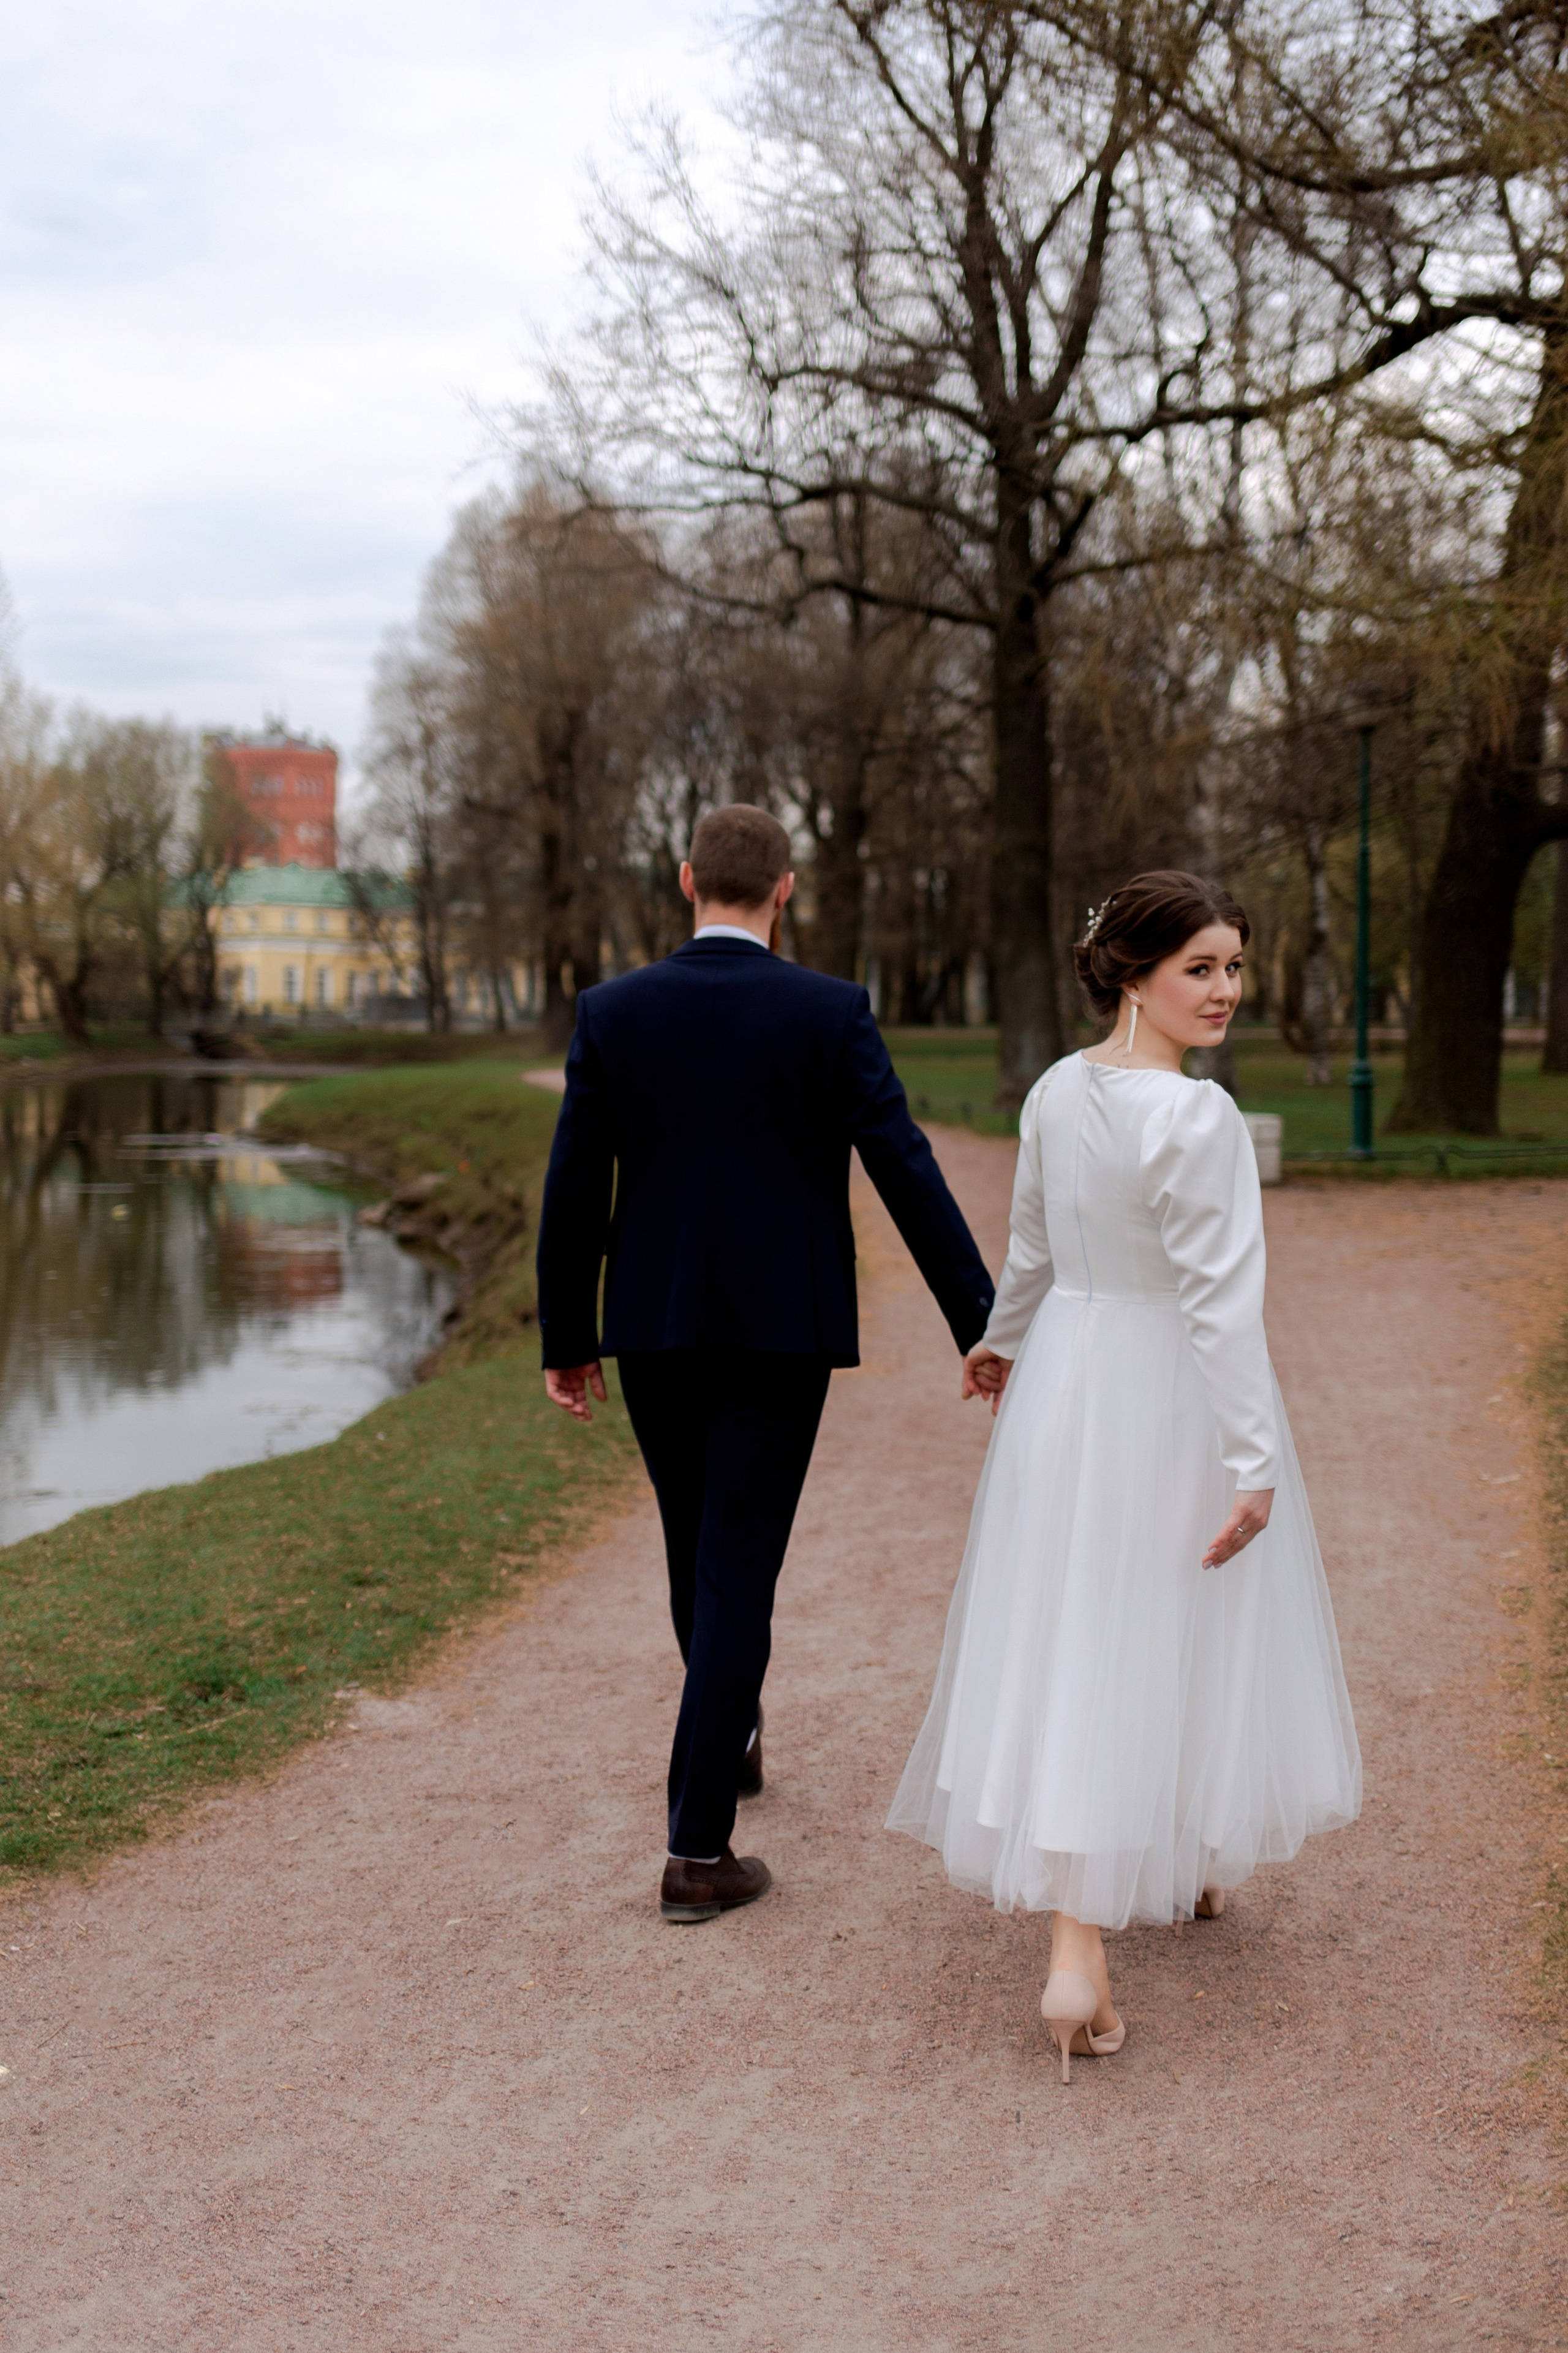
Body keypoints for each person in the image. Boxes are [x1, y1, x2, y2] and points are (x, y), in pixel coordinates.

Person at [887, 871, 1362, 2080]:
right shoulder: (1194, 1118)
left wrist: (999, 1341)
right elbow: (1218, 1305)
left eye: (1233, 968)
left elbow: (1033, 1249)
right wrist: (1253, 1462)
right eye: (1198, 967)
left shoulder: (1054, 1088)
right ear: (1133, 971)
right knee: (1155, 1617)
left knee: (1079, 1624)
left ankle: (1164, 1873)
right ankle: (1075, 1953)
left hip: (1067, 1388)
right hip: (1162, 1395)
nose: (1223, 992)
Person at [536, 803, 996, 1922]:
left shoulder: (614, 1010)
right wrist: (982, 1319)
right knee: (736, 1563)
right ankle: (698, 1849)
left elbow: (574, 1184)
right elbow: (906, 1167)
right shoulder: (828, 1011)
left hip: (651, 1325)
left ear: (688, 878)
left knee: (701, 1549)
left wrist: (568, 1336)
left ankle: (727, 1730)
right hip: (780, 1331)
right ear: (785, 888)